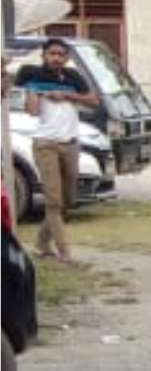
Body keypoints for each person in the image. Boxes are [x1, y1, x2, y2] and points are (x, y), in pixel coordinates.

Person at [12, 38, 96, 263]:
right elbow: (32, 111)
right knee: (53, 201)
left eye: (61, 54)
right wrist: (34, 93)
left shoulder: (73, 77)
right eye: (52, 54)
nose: (56, 58)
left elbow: (93, 101)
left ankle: (40, 243)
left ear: (66, 57)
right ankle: (64, 253)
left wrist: (67, 95)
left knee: (67, 200)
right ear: (44, 55)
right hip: (45, 143)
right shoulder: (33, 76)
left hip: (70, 143)